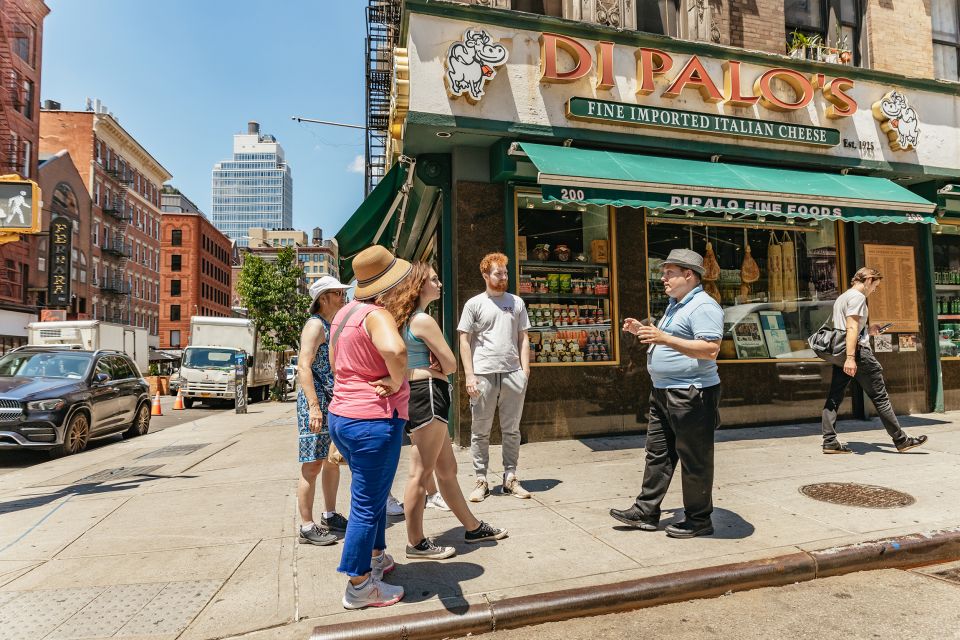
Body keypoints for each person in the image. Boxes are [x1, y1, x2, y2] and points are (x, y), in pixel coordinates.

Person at [393, 262, 508, 559]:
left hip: (418, 393)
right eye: (434, 279)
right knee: (420, 473)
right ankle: (416, 542)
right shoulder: (422, 320)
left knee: (447, 470)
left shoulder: (402, 319)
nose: (440, 284)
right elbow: (451, 363)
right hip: (428, 394)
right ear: (419, 286)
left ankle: (472, 526)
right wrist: (443, 364)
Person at [609, 249, 724, 539]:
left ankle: (699, 519)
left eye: (669, 272)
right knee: (658, 454)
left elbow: (710, 349)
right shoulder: (676, 304)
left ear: (689, 275)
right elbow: (672, 340)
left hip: (691, 393)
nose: (663, 278)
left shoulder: (703, 306)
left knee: (694, 457)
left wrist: (662, 337)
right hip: (663, 392)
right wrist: (645, 331)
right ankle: (646, 511)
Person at [328, 246, 411, 610]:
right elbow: (396, 352)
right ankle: (359, 584)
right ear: (389, 286)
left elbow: (334, 363)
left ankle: (376, 558)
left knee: (373, 496)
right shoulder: (378, 315)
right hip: (373, 419)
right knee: (365, 504)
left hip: (343, 416)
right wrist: (395, 381)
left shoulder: (344, 313)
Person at [820, 267, 928, 454]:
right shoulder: (858, 298)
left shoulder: (843, 297)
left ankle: (829, 441)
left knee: (835, 396)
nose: (875, 290)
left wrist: (868, 331)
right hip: (858, 354)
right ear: (868, 280)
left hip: (842, 352)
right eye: (875, 286)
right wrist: (852, 358)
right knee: (880, 397)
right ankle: (901, 440)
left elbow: (846, 328)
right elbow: (851, 328)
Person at [458, 252, 532, 502]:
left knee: (512, 430)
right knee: (481, 430)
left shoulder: (516, 302)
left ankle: (510, 477)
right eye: (498, 273)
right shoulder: (474, 304)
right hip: (483, 374)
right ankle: (481, 479)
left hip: (513, 373)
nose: (503, 277)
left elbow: (524, 338)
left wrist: (525, 371)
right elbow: (464, 340)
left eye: (505, 272)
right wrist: (469, 374)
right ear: (485, 275)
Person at [296, 276, 351, 547]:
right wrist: (314, 407)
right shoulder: (315, 325)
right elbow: (303, 366)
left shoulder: (332, 324)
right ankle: (307, 526)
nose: (343, 297)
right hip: (315, 403)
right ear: (323, 299)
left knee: (332, 461)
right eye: (338, 293)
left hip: (333, 402)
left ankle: (329, 514)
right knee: (312, 464)